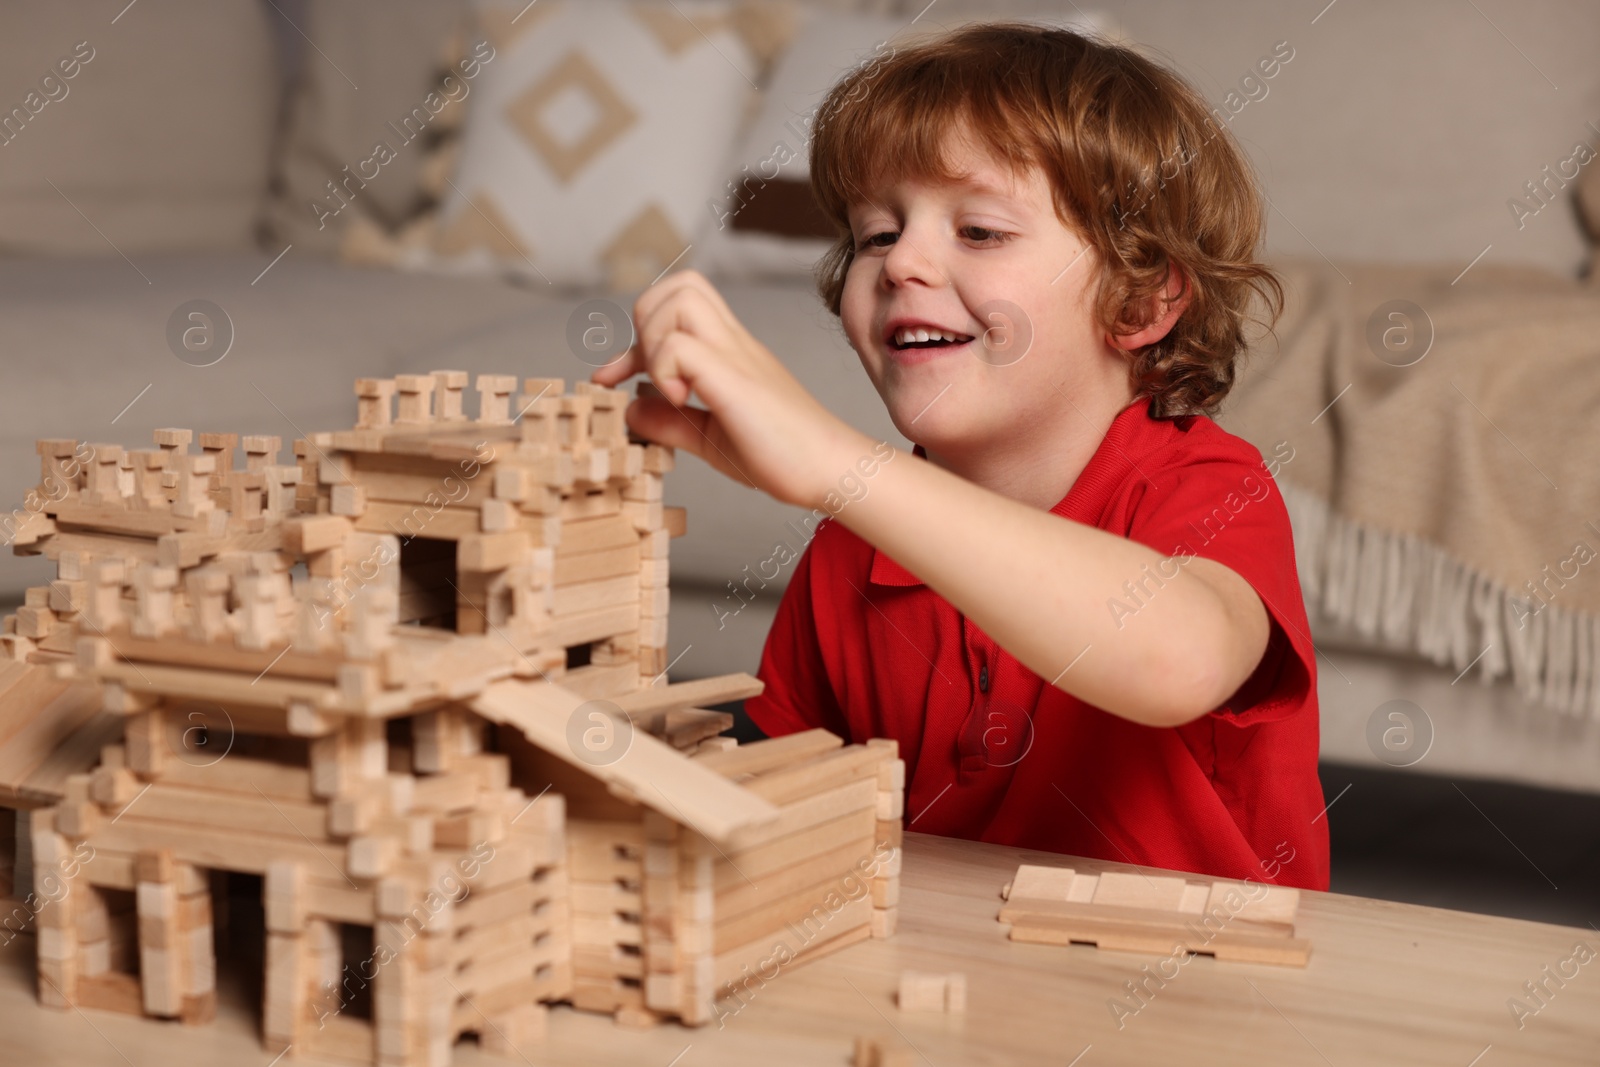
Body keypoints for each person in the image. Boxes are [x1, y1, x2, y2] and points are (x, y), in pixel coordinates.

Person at [592, 22, 1327, 889]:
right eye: (874, 234)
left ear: (1141, 299)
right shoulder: (851, 547)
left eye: (978, 231)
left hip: (1199, 1001)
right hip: (955, 995)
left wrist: (840, 463)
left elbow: (1179, 660)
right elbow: (786, 809)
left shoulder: (1207, 487)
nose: (901, 260)